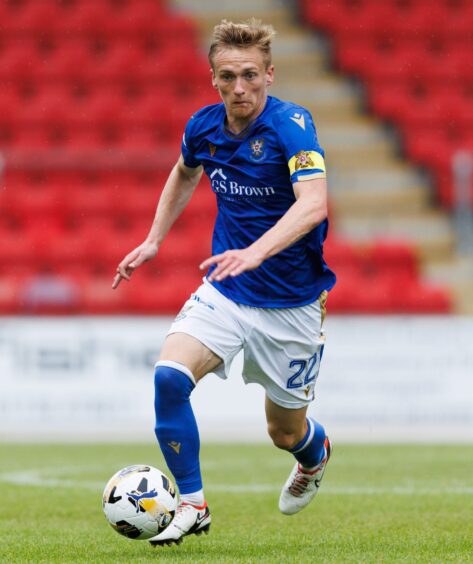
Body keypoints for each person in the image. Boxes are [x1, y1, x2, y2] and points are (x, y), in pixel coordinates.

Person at [112, 19, 336, 547]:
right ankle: (192, 504)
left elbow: (315, 204)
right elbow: (185, 171)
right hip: (227, 291)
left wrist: (255, 252)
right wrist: (153, 240)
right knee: (169, 377)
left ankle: (315, 452)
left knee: (284, 433)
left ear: (269, 75)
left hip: (292, 305)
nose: (240, 88)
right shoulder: (203, 126)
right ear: (213, 78)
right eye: (228, 77)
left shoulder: (293, 127)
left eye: (251, 76)